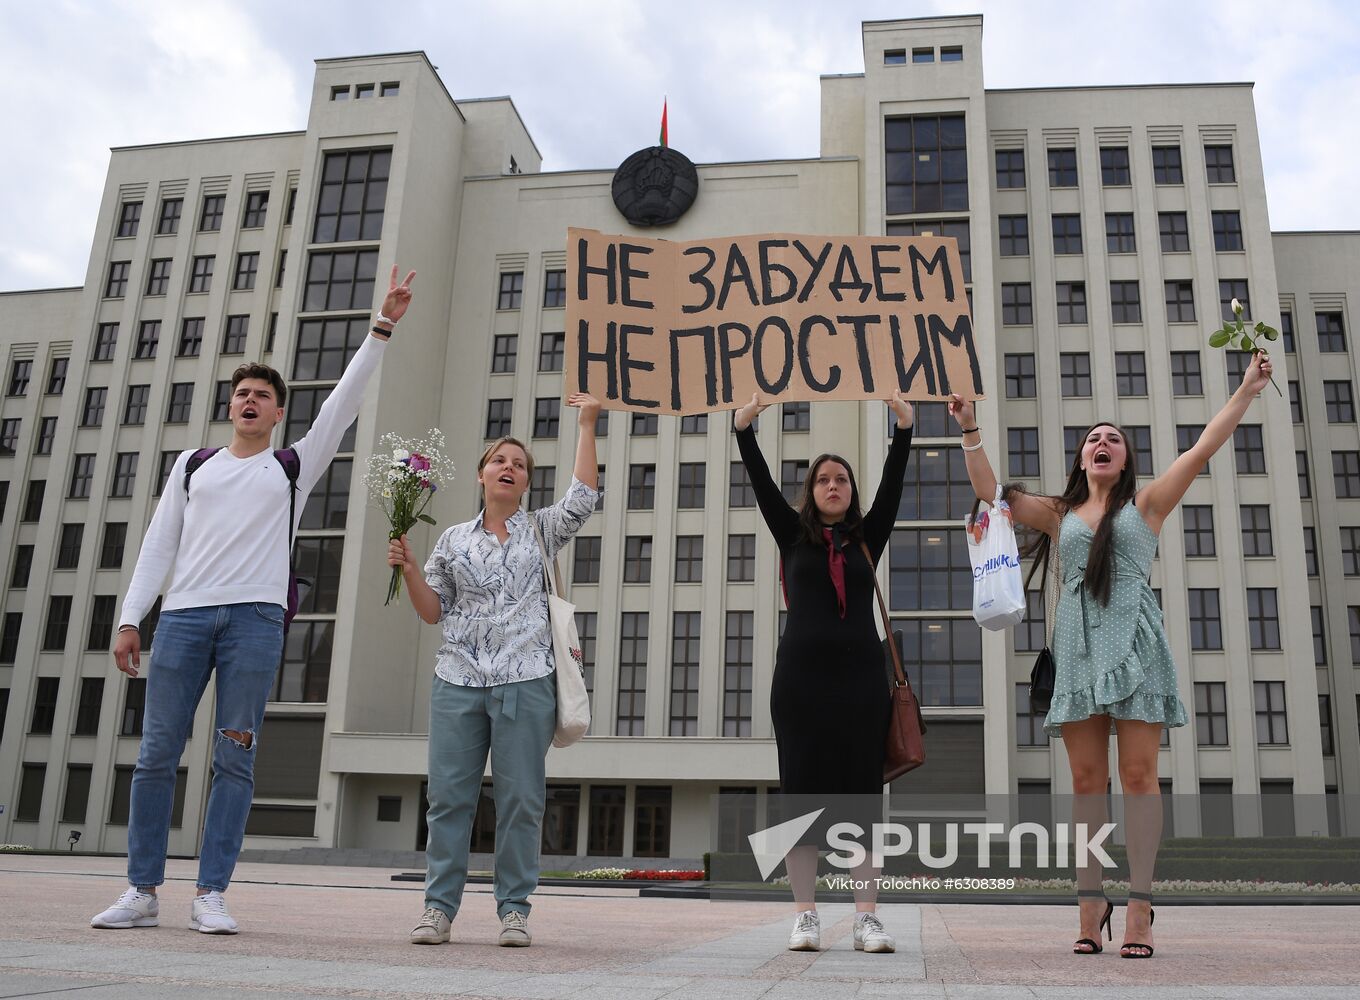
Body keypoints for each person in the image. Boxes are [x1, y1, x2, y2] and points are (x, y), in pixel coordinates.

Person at [91, 266, 417, 935]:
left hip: (255, 623)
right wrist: (129, 618)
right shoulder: (192, 465)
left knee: (234, 758)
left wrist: (381, 326)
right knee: (156, 755)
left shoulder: (292, 467)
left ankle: (211, 893)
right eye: (241, 393)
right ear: (230, 407)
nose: (249, 400)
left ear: (275, 413)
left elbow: (342, 406)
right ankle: (142, 891)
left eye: (262, 395)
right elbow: (158, 542)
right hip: (182, 619)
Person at [948, 350, 1274, 958]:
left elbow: (1202, 448)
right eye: (1093, 439)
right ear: (1081, 458)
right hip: (1076, 649)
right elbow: (992, 493)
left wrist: (1248, 389)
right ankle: (1090, 902)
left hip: (1136, 648)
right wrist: (969, 427)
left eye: (1113, 439)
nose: (1102, 443)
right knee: (1085, 781)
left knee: (1139, 777)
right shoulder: (1058, 515)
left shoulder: (1146, 506)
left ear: (1124, 460)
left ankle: (1140, 906)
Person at [389, 392, 601, 948]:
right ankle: (438, 909)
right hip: (457, 681)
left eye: (519, 464)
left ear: (526, 482)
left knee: (521, 803)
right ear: (481, 475)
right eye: (499, 461)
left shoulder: (541, 530)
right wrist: (410, 570)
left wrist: (586, 424)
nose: (508, 468)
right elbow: (432, 610)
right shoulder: (452, 539)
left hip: (526, 681)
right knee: (448, 801)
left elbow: (583, 498)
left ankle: (514, 911)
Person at [732, 390, 914, 955]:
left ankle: (866, 920)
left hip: (862, 686)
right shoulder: (792, 534)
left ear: (852, 491)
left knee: (862, 801)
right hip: (801, 686)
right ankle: (805, 917)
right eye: (823, 480)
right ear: (811, 492)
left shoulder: (867, 538)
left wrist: (905, 427)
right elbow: (760, 480)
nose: (833, 485)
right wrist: (743, 428)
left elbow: (893, 485)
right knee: (801, 799)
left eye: (842, 479)